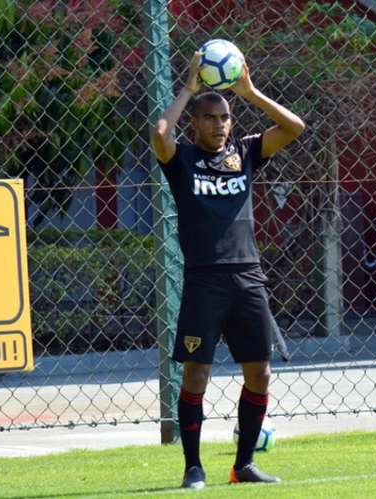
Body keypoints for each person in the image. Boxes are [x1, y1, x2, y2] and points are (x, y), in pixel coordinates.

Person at [151, 50, 305, 489]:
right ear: (194, 124)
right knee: (196, 373)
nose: (220, 125)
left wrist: (249, 91)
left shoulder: (246, 152)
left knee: (260, 372)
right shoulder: (181, 160)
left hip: (248, 277)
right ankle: (193, 467)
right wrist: (187, 89)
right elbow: (160, 134)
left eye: (225, 117)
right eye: (211, 117)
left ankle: (243, 466)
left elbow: (295, 128)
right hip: (205, 280)